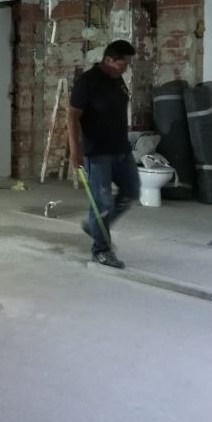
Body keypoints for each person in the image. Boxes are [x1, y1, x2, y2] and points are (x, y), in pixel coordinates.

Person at [67, 40, 140, 269]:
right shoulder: (87, 82)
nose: (125, 69)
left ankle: (95, 227)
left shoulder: (117, 79)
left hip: (121, 149)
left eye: (127, 64)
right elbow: (72, 116)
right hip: (97, 152)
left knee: (131, 191)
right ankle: (101, 251)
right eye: (122, 64)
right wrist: (75, 151)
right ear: (108, 59)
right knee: (102, 203)